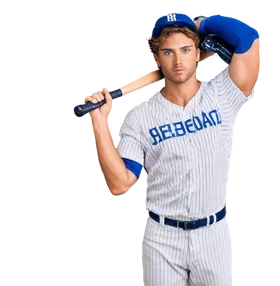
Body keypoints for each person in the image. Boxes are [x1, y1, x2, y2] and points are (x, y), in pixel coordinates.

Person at [83, 9, 262, 286]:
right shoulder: (140, 118)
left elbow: (249, 39)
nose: (178, 60)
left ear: (197, 51)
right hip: (162, 239)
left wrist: (200, 23)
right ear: (156, 58)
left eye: (185, 49)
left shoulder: (223, 95)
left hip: (213, 234)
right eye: (168, 52)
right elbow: (119, 184)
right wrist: (99, 120)